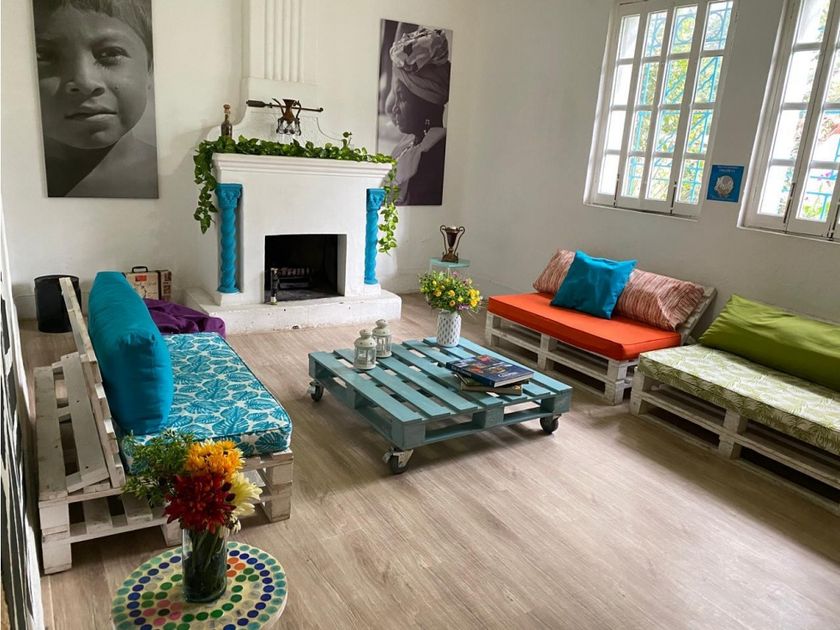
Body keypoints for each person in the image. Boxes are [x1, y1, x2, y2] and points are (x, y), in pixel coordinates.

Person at [33, 0, 158, 198]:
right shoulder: (11, 176)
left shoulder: (181, 175)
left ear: (149, 69)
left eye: (110, 53)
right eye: (46, 55)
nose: (84, 82)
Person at [386, 26, 451, 206]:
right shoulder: (410, 143)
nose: (394, 108)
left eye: (402, 98)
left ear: (425, 101)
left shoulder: (432, 160)